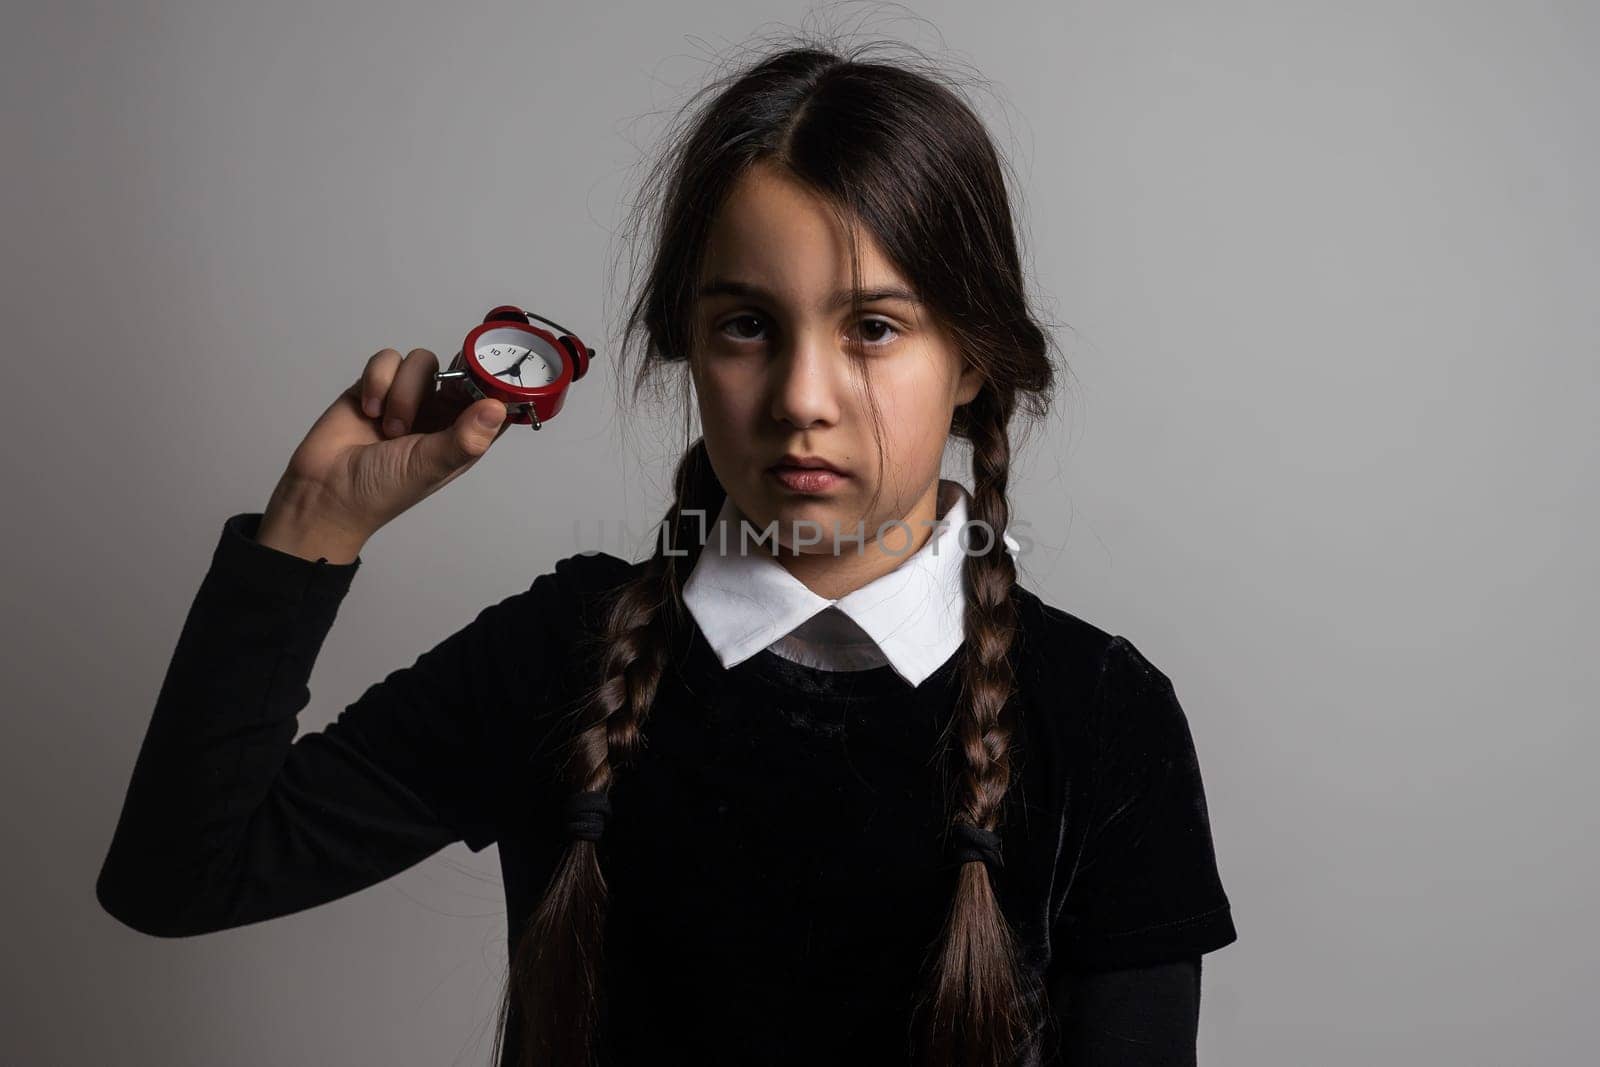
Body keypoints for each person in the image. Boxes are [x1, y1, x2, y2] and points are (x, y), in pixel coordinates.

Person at [95, 36, 1238, 1067]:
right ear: (686, 345)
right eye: (746, 325)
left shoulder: (1102, 716)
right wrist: (310, 528)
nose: (801, 398)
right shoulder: (566, 650)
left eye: (873, 329)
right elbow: (180, 876)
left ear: (974, 357)